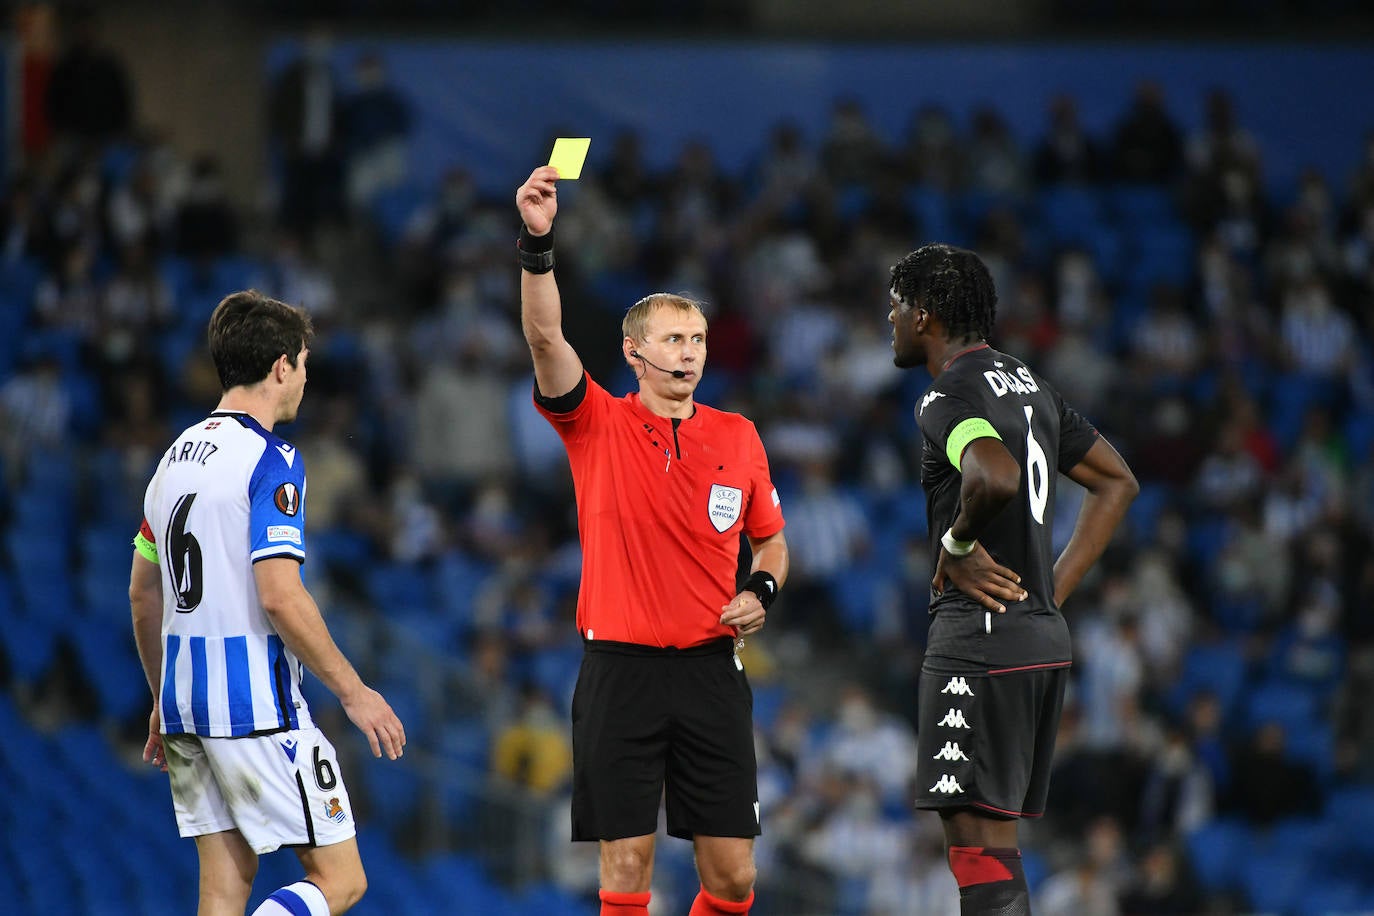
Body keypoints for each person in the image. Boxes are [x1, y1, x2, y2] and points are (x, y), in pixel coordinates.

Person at [515, 165, 790, 916]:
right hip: (620, 671)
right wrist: (538, 242)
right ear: (635, 353)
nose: (691, 350)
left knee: (733, 877)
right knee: (627, 863)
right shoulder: (595, 423)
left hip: (710, 671)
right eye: (674, 338)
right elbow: (544, 335)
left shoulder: (739, 436)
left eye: (699, 338)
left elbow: (771, 544)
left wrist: (761, 590)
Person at [128, 290, 406, 916]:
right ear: (282, 367)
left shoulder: (170, 462)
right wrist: (356, 693)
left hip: (184, 703)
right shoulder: (272, 460)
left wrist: (160, 695)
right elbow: (279, 595)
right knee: (342, 881)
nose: (306, 379)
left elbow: (144, 597)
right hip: (253, 702)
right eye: (304, 364)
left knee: (225, 885)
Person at [887, 244, 1138, 916]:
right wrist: (1050, 592)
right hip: (1034, 639)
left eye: (898, 305)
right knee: (992, 851)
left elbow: (992, 474)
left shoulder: (945, 395)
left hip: (980, 641)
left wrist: (957, 540)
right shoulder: (1030, 385)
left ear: (927, 316)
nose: (891, 318)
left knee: (976, 852)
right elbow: (1117, 482)